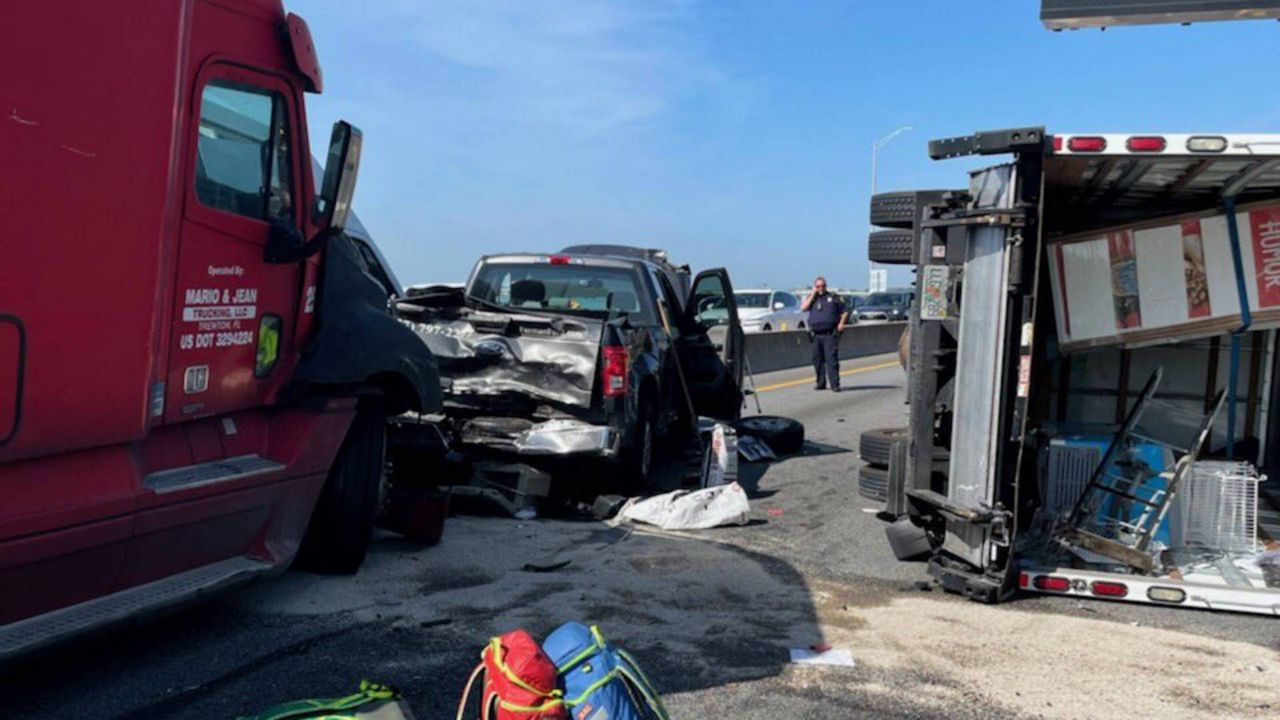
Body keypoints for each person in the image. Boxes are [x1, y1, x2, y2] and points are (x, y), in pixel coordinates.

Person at [801, 276, 848, 391]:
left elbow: (845, 311)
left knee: (831, 361)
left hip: (830, 334)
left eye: (822, 286)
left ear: (826, 286)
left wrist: (841, 323)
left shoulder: (833, 297)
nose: (820, 288)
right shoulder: (812, 298)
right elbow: (803, 308)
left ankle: (835, 385)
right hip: (816, 335)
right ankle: (820, 383)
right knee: (817, 360)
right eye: (818, 286)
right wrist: (813, 295)